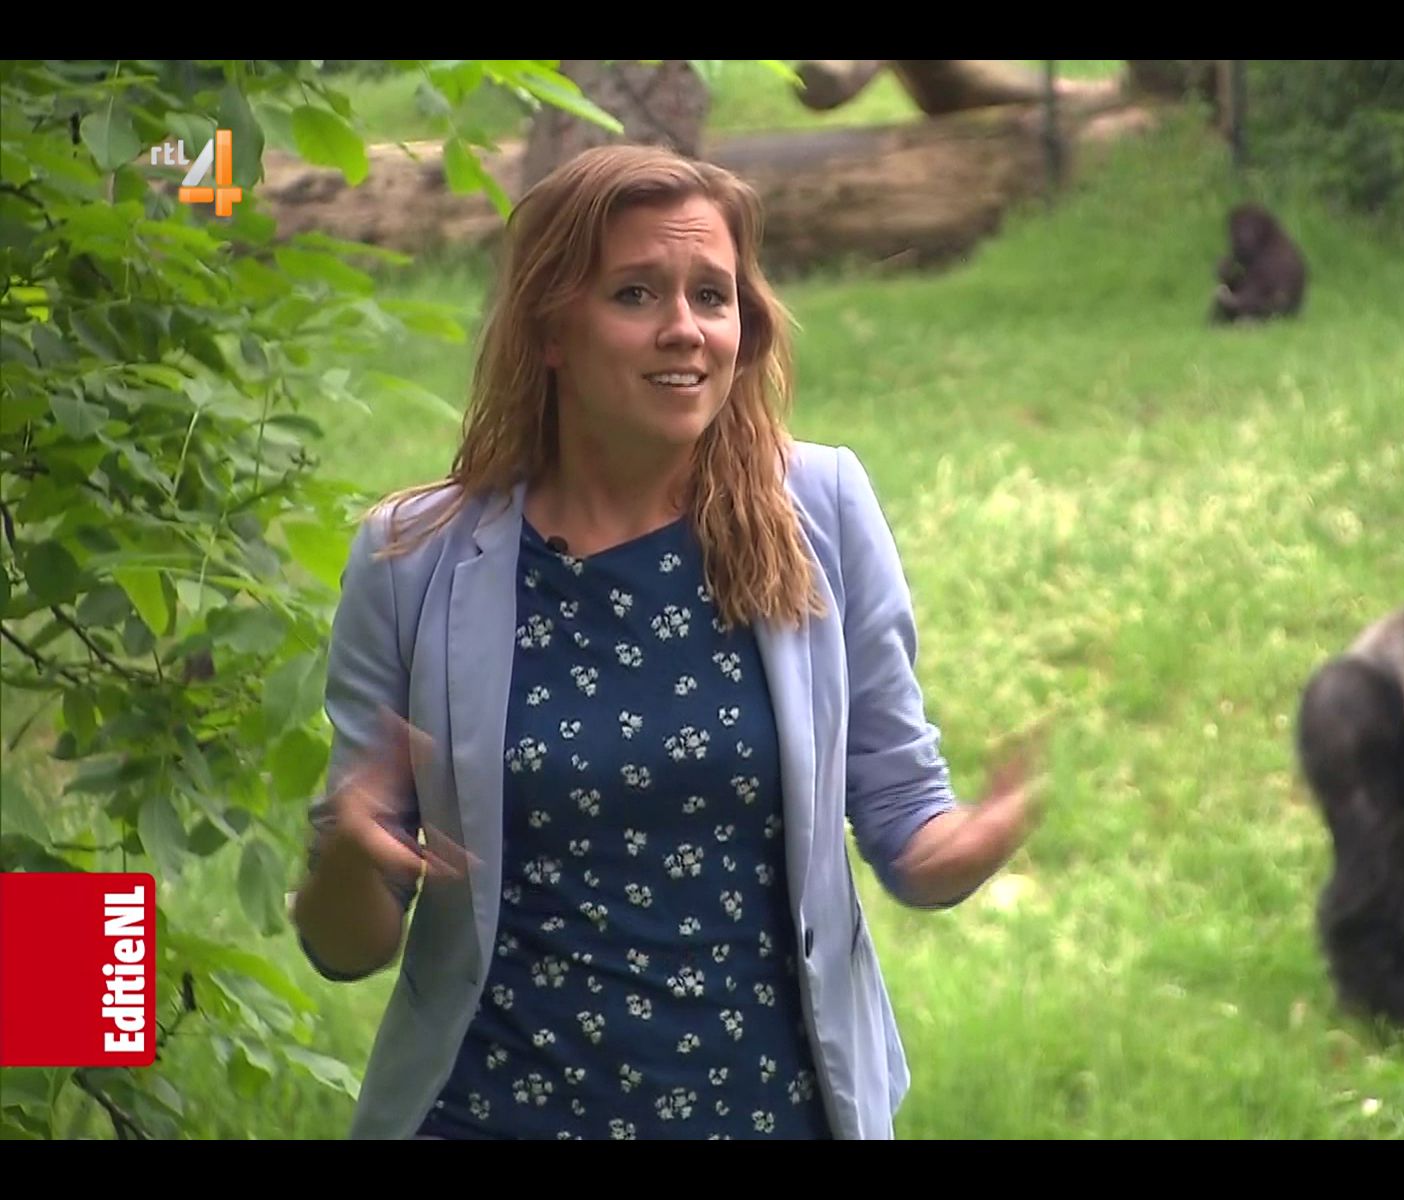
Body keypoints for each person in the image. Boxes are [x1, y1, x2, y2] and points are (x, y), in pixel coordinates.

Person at [291, 143, 1039, 1141]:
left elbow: (905, 823)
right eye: (636, 293)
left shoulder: (820, 510)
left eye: (712, 296)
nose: (685, 328)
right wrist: (351, 858)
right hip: (495, 1113)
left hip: (766, 1113)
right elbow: (344, 947)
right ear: (551, 328)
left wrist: (979, 837)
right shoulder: (413, 558)